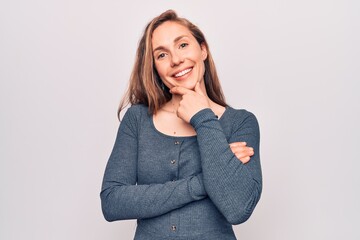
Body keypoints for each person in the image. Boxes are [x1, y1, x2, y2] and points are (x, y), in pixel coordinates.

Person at [100, 9, 262, 240]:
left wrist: (202, 117)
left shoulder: (241, 123)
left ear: (203, 49)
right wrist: (205, 181)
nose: (176, 60)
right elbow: (112, 202)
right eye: (162, 55)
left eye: (183, 45)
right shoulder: (137, 120)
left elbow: (238, 208)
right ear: (155, 67)